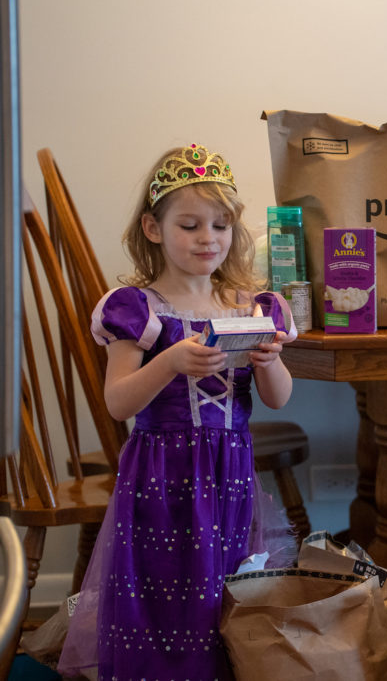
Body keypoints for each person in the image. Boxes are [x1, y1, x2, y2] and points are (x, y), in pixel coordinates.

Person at [58, 143, 297, 680]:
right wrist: (168, 362)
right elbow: (118, 401)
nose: (208, 238)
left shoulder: (251, 306)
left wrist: (270, 360)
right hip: (161, 475)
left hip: (229, 473)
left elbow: (278, 397)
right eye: (189, 225)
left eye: (220, 225)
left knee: (223, 587)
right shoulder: (139, 309)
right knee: (161, 588)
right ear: (152, 228)